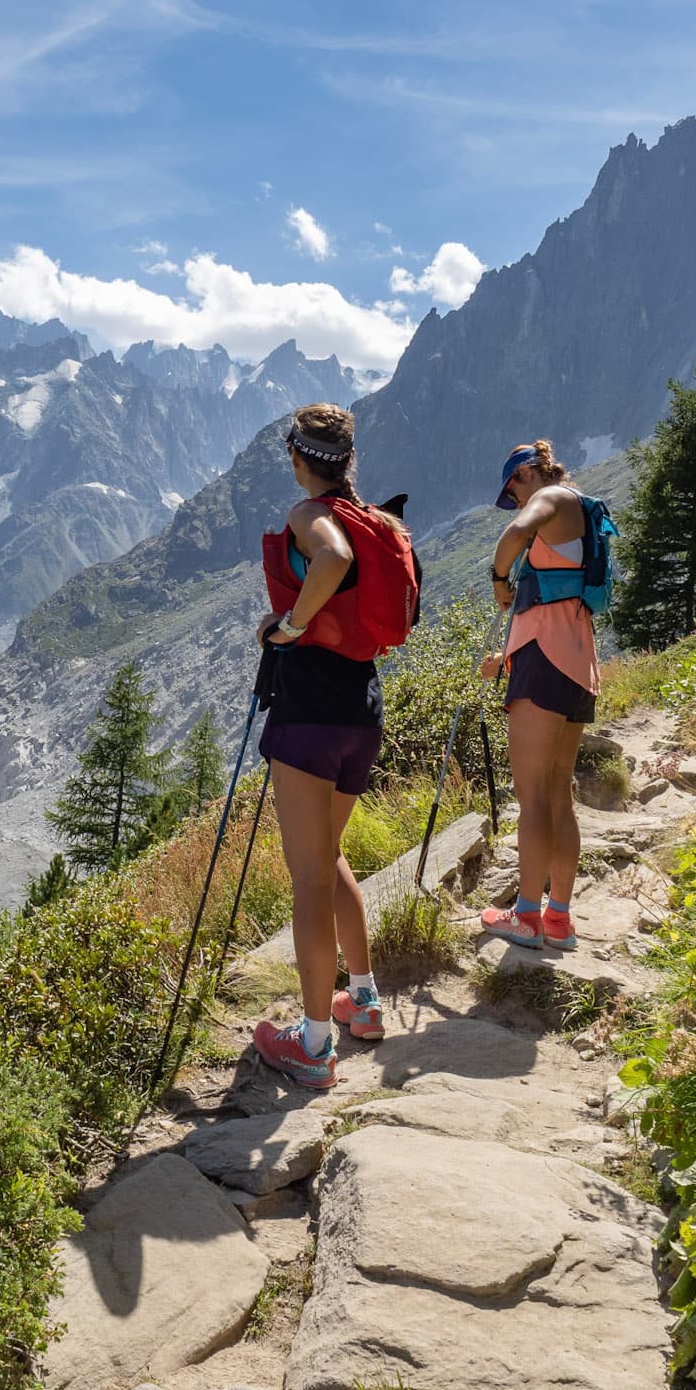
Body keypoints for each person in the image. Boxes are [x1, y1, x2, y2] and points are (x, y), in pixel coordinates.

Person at [249, 403, 394, 1089]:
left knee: (307, 876)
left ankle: (312, 1045)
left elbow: (329, 558)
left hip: (309, 711)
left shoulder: (314, 517)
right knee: (328, 856)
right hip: (362, 708)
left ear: (299, 457)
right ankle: (361, 1002)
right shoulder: (376, 522)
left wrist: (290, 623)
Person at [479, 440, 601, 952]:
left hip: (543, 659)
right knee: (557, 793)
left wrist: (499, 577)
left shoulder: (551, 499)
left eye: (515, 484)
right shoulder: (581, 515)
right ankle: (558, 919)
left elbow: (515, 533)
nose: (515, 495)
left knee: (531, 797)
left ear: (531, 471)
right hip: (577, 662)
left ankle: (525, 916)